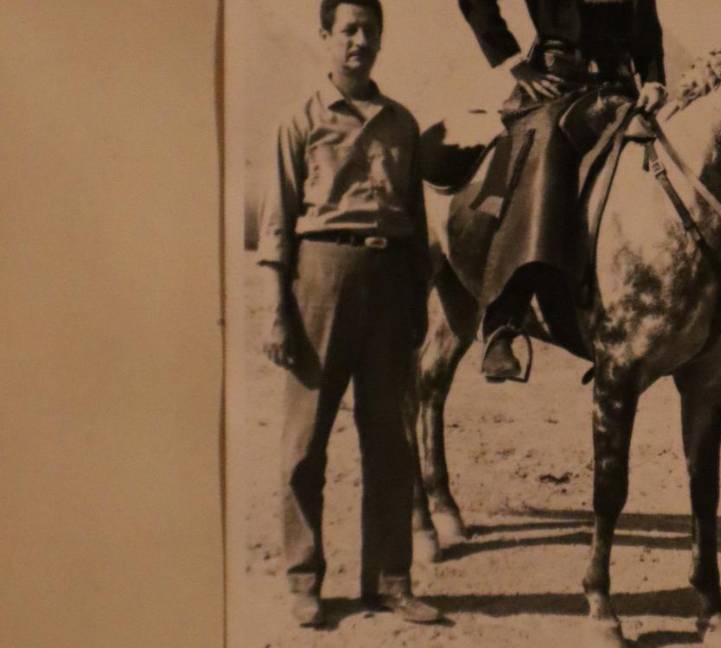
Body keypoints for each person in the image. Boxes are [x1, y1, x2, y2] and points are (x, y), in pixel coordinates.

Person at [257, 0, 441, 628]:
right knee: (304, 445)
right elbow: (278, 224)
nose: (360, 41)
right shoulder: (300, 120)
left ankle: (389, 581)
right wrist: (277, 312)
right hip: (321, 280)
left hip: (390, 285)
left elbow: (416, 225)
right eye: (349, 30)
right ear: (326, 38)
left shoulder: (403, 124)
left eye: (371, 31)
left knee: (391, 440)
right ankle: (304, 580)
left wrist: (419, 306)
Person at [458, 0, 668, 381]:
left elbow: (646, 21)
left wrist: (654, 77)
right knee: (545, 155)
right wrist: (513, 63)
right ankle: (504, 320)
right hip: (557, 83)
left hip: (622, 86)